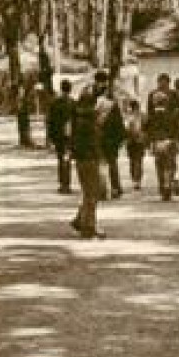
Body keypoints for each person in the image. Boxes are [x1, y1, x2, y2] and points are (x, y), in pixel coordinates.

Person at [69, 76, 106, 238]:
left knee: (89, 191)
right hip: (90, 156)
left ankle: (80, 219)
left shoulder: (77, 118)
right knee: (93, 191)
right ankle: (89, 226)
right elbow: (95, 140)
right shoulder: (90, 121)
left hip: (80, 157)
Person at [144, 73, 179, 201]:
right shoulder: (171, 114)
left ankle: (163, 187)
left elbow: (147, 126)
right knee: (170, 165)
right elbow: (177, 126)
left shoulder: (152, 115)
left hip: (156, 140)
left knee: (159, 164)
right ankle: (167, 185)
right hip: (169, 140)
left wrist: (149, 141)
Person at [45, 80, 75, 194]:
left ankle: (63, 183)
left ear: (61, 88)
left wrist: (50, 137)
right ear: (70, 89)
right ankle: (67, 183)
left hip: (59, 137)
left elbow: (50, 121)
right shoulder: (73, 103)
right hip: (70, 136)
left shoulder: (55, 103)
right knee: (67, 159)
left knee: (61, 159)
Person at [100, 81, 128, 199]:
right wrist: (122, 137)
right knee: (112, 163)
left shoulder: (94, 105)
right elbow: (119, 123)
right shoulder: (112, 105)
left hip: (99, 138)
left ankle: (102, 189)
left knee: (101, 164)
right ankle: (115, 188)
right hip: (111, 138)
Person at [123, 92, 146, 192]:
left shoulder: (127, 117)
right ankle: (137, 181)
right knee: (138, 160)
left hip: (131, 141)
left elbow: (125, 129)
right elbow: (146, 127)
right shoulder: (142, 115)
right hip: (139, 140)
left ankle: (135, 180)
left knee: (133, 161)